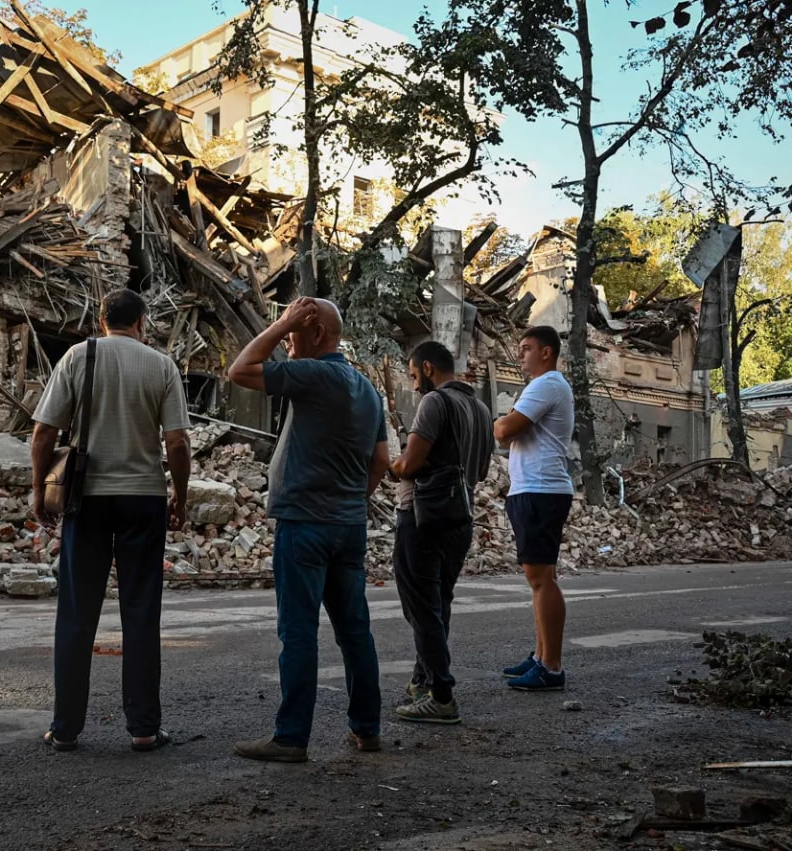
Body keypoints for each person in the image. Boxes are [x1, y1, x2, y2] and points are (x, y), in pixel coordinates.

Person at [226, 297, 389, 763]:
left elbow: (240, 370)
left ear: (316, 334)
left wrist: (282, 324)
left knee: (298, 631)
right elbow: (379, 462)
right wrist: (353, 499)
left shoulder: (316, 375)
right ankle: (367, 728)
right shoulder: (366, 389)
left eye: (299, 330)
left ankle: (291, 737)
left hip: (305, 524)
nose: (291, 340)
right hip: (348, 525)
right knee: (355, 631)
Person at [30, 288, 192, 752]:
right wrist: (179, 496)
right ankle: (143, 727)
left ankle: (65, 729)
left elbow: (44, 432)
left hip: (88, 500)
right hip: (143, 500)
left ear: (102, 321)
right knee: (141, 612)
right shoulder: (161, 366)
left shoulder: (77, 357)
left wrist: (39, 489)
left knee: (78, 613)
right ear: (141, 322)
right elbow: (177, 443)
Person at [388, 341, 493, 723]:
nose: (415, 386)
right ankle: (424, 680)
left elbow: (411, 464)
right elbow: (481, 471)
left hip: (422, 517)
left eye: (415, 376)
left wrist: (391, 464)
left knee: (421, 605)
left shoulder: (434, 403)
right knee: (438, 603)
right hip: (460, 518)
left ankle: (442, 694)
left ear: (429, 368)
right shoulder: (481, 409)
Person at [493, 325, 575, 691]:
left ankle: (551, 667)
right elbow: (511, 431)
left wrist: (502, 423)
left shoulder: (547, 385)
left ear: (546, 352)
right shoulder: (544, 387)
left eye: (527, 348)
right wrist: (508, 426)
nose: (521, 354)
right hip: (536, 489)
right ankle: (541, 656)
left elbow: (505, 429)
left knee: (541, 579)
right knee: (540, 579)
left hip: (541, 489)